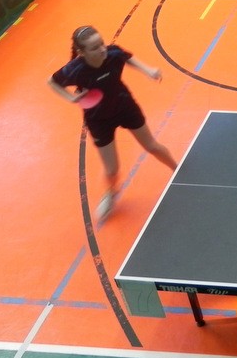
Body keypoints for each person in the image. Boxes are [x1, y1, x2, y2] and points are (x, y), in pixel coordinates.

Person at [47, 26, 178, 221]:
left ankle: (178, 171)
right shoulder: (75, 70)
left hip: (124, 106)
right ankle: (110, 193)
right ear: (81, 52)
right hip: (98, 119)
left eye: (101, 43)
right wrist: (71, 98)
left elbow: (127, 57)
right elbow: (52, 82)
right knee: (111, 170)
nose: (102, 49)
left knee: (152, 146)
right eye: (94, 47)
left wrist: (148, 70)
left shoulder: (113, 53)